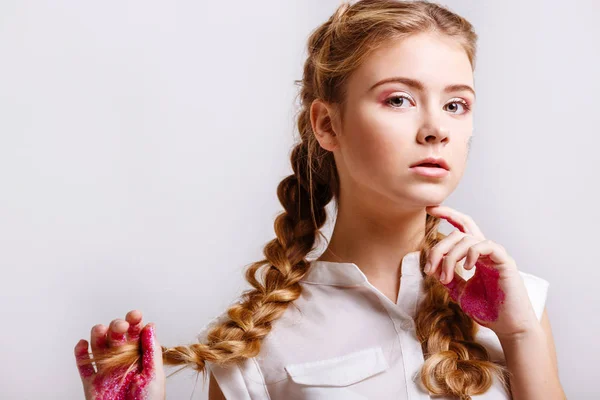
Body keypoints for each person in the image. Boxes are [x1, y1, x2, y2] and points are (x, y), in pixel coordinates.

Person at [74, 0, 566, 399]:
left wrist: (520, 334)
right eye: (399, 99)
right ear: (327, 124)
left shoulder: (514, 302)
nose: (437, 129)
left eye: (456, 104)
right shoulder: (257, 348)